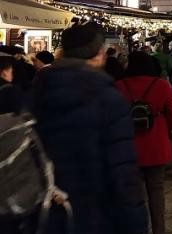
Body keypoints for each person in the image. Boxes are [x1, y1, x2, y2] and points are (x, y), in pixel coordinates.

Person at [31, 23, 147, 233]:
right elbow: (122, 171)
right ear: (99, 55)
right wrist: (135, 221)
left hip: (46, 213)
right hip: (96, 213)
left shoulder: (37, 92)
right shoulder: (108, 99)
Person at [115, 51, 172, 234]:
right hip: (156, 145)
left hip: (129, 147)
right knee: (156, 191)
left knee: (135, 193)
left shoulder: (120, 86)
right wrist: (164, 131)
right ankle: (159, 229)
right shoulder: (161, 85)